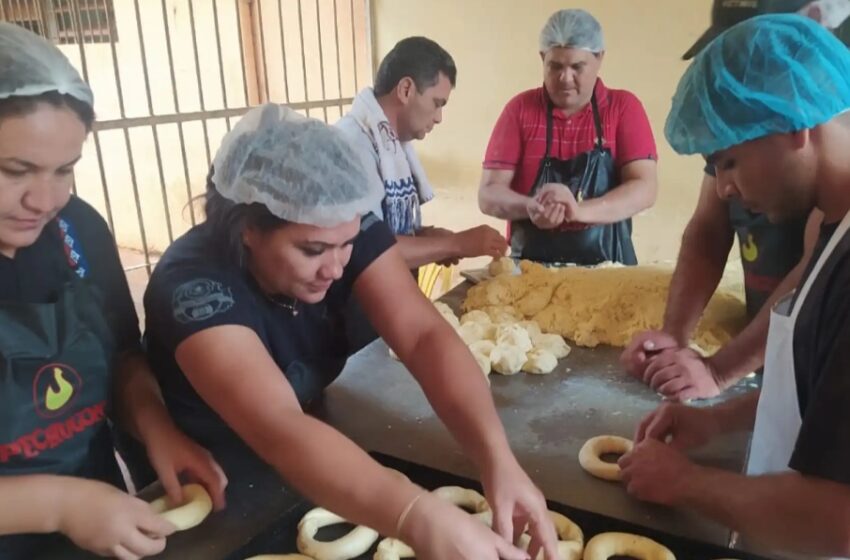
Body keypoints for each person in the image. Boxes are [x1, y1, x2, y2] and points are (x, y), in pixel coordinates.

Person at [143, 104, 560, 560]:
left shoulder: (338, 223)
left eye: (347, 244)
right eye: (313, 250)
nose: (337, 267)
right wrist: (416, 517)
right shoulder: (194, 288)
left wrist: (497, 459)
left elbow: (423, 335)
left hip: (311, 441)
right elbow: (279, 427)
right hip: (211, 472)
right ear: (248, 230)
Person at [619, 15, 850, 559]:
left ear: (794, 125)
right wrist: (715, 422)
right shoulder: (831, 229)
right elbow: (819, 394)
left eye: (729, 161)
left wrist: (687, 484)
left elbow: (839, 519)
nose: (722, 188)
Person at [0, 23, 226, 560]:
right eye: (15, 170)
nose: (45, 198)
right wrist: (58, 504)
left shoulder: (77, 231)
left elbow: (123, 355)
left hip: (93, 528)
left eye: (65, 170)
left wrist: (156, 428)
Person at [621, 0, 850, 402]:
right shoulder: (761, 139)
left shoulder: (828, 180)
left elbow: (808, 278)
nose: (725, 188)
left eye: (729, 163)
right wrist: (674, 339)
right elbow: (708, 232)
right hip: (793, 379)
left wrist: (719, 370)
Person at [478, 9, 658, 265]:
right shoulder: (519, 110)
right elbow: (488, 194)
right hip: (531, 271)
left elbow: (645, 188)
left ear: (599, 58)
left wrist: (578, 211)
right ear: (542, 58)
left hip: (610, 271)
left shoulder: (623, 108)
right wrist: (530, 207)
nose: (565, 78)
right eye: (555, 66)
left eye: (577, 67)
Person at [336, 36, 507, 270]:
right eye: (437, 103)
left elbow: (384, 230)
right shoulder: (353, 147)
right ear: (406, 90)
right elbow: (368, 249)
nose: (438, 117)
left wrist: (429, 238)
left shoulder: (391, 145)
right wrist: (455, 244)